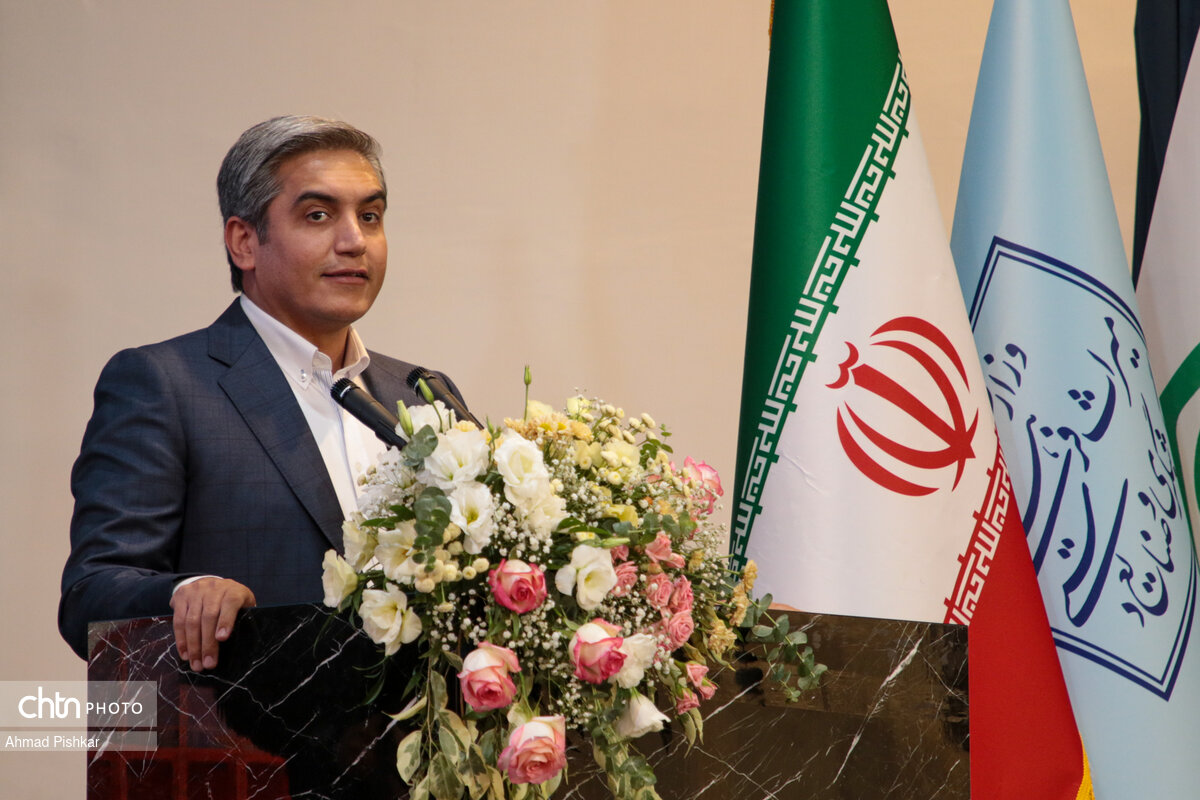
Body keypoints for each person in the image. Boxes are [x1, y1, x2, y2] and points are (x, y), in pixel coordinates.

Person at [59, 115, 463, 672]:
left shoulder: (422, 394)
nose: (354, 241)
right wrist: (187, 592)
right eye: (318, 215)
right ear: (244, 242)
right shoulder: (164, 384)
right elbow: (91, 594)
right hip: (245, 721)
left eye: (370, 216)